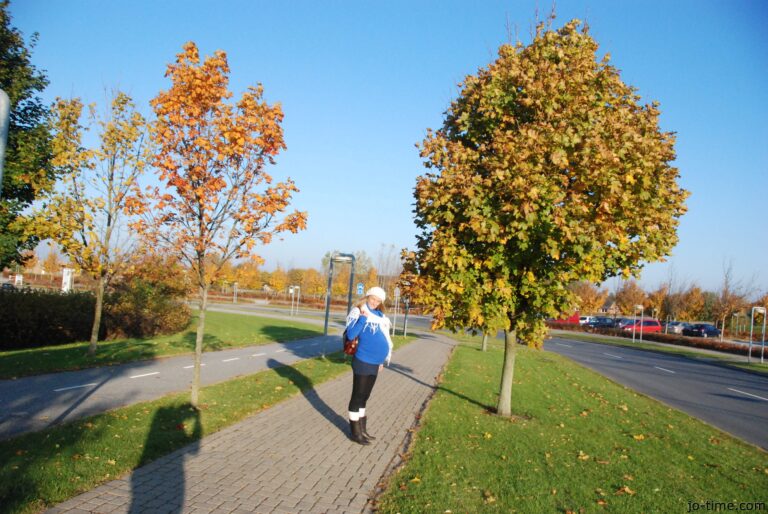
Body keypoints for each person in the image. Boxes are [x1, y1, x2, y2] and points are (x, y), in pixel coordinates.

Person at [344, 286, 393, 445]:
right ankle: (355, 433)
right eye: (373, 299)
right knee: (357, 396)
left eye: (378, 301)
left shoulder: (380, 316)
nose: (374, 302)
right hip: (363, 360)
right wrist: (363, 319)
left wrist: (381, 360)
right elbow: (351, 334)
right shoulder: (358, 311)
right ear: (367, 297)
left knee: (365, 396)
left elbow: (384, 337)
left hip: (375, 362)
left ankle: (363, 430)